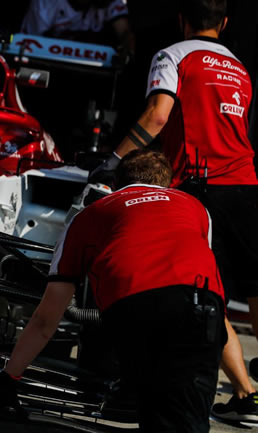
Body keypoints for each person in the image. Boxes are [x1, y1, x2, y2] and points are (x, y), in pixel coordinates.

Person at [89, 0, 258, 421]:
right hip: (248, 185)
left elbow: (158, 115)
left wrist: (112, 159)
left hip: (202, 191)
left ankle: (244, 393)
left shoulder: (173, 53)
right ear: (224, 21)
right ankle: (246, 392)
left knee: (203, 297)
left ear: (183, 20)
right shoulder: (240, 67)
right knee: (254, 289)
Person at [0, 149, 226, 432]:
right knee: (189, 419)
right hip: (203, 307)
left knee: (160, 415)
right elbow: (208, 275)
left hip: (137, 305)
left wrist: (9, 380)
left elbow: (46, 318)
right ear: (169, 184)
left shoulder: (90, 215)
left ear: (115, 184)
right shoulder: (196, 207)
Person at [20, 0, 135, 56]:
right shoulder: (46, 4)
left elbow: (124, 33)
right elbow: (25, 44)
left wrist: (127, 48)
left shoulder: (109, 2)